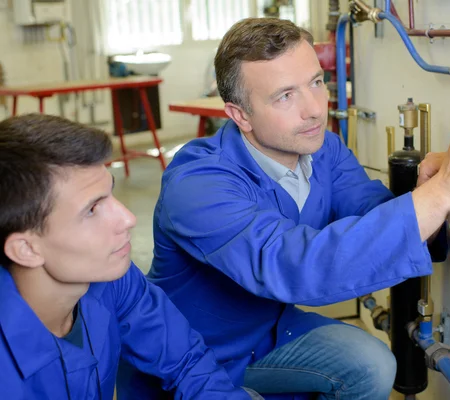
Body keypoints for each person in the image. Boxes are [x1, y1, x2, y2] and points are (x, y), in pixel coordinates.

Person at [119, 18, 450, 400]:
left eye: (316, 82)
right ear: (240, 115)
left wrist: (433, 189)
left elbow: (374, 215)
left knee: (372, 364)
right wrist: (444, 192)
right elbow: (295, 265)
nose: (314, 108)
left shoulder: (323, 150)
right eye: (285, 96)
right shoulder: (197, 183)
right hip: (189, 352)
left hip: (267, 333)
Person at [0, 114, 263, 400]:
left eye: (110, 194)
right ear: (26, 249)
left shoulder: (113, 278)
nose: (127, 218)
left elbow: (187, 362)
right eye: (92, 210)